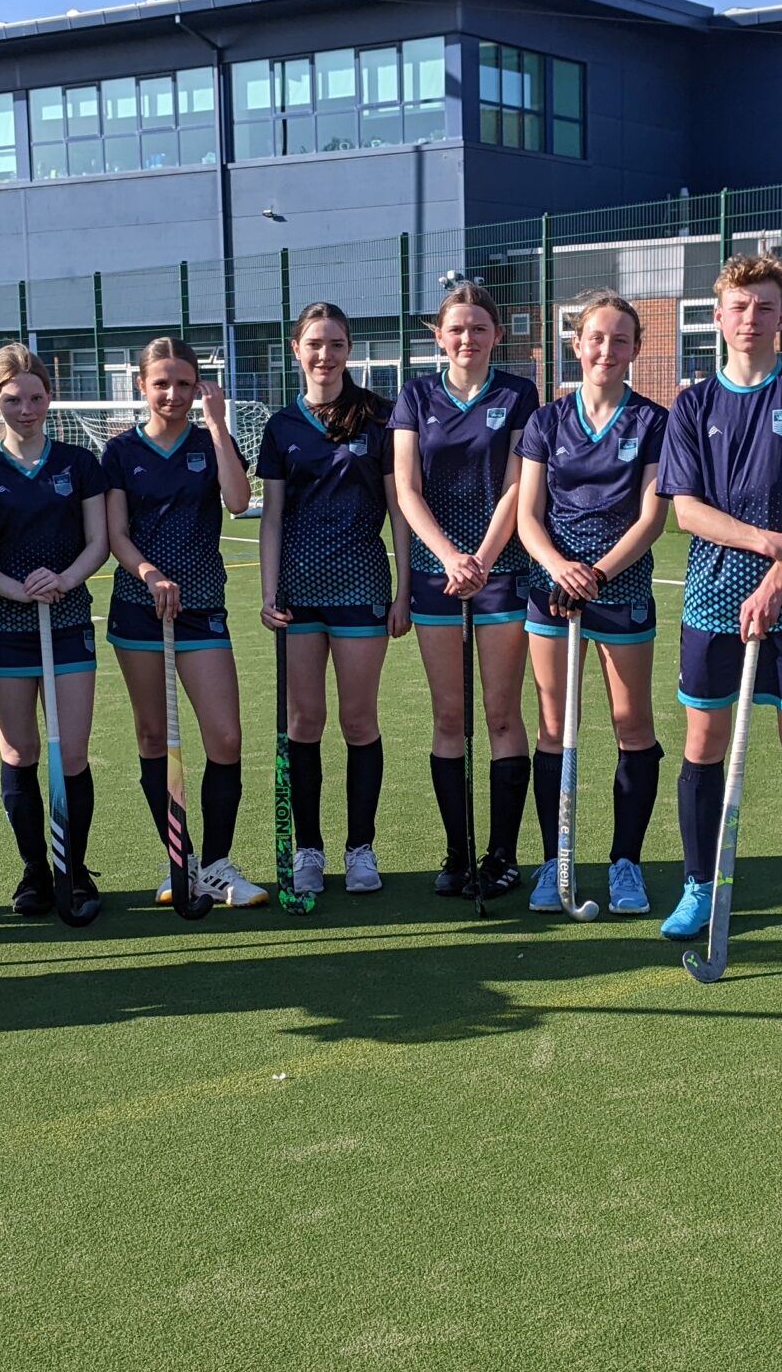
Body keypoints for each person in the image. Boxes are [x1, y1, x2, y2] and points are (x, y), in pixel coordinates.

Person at [657, 255, 782, 945]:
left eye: (764, 306)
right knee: (703, 741)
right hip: (712, 600)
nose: (751, 318)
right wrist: (768, 543)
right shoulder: (692, 405)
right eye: (739, 307)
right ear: (718, 317)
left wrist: (775, 580)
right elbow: (686, 511)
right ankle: (697, 885)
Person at [514, 290, 669, 916]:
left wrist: (598, 574)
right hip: (552, 591)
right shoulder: (546, 421)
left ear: (636, 349)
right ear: (576, 345)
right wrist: (560, 569)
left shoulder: (653, 421)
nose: (607, 349)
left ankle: (626, 863)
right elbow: (528, 516)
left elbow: (652, 518)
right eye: (596, 338)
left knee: (633, 727)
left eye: (620, 339)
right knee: (555, 728)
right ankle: (556, 860)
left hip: (620, 588)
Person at [103, 335, 267, 908]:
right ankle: (180, 861)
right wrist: (149, 574)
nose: (172, 394)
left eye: (183, 383)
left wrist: (217, 425)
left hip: (201, 609)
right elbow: (115, 534)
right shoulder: (120, 451)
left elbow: (238, 501)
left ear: (198, 386)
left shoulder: (209, 441)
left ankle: (217, 864)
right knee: (154, 736)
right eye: (161, 383)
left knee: (225, 737)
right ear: (141, 386)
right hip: (139, 607)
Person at [392, 279, 541, 898]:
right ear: (439, 336)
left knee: (502, 715)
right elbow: (406, 489)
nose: (467, 338)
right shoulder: (415, 395)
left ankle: (501, 854)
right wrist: (449, 556)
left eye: (479, 328)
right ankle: (458, 853)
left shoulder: (518, 393)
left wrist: (480, 558)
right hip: (438, 576)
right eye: (456, 328)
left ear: (496, 335)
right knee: (449, 716)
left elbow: (517, 486)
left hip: (500, 573)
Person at [0, 343, 111, 921]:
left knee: (71, 751)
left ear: (50, 397)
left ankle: (74, 869)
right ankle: (34, 871)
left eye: (36, 398)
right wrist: (18, 590)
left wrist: (64, 580)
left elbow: (99, 541)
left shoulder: (79, 464)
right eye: (13, 399)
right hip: (3, 626)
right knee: (19, 751)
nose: (26, 409)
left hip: (66, 622)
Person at [257, 301, 410, 898]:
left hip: (361, 587)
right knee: (304, 721)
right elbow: (272, 517)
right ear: (296, 349)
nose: (325, 355)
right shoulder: (281, 426)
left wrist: (404, 588)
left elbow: (399, 508)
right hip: (297, 594)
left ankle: (361, 848)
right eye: (315, 344)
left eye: (336, 344)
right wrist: (268, 592)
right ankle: (310, 850)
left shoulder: (380, 417)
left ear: (349, 349)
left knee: (358, 719)